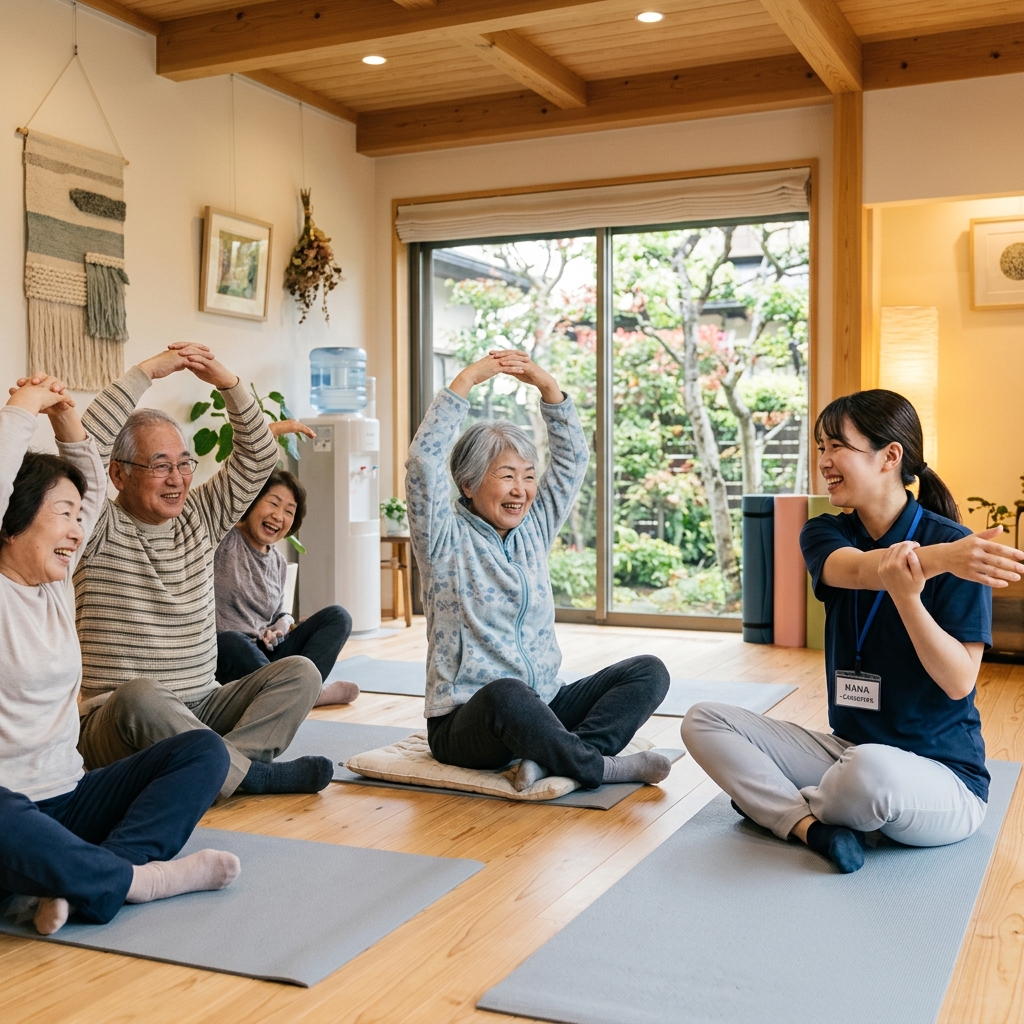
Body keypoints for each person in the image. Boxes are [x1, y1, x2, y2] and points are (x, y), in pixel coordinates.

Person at [682, 389, 1024, 873]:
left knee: (869, 774)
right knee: (702, 719)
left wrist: (910, 596)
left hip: (941, 779)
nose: (823, 460)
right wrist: (941, 560)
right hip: (848, 752)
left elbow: (958, 681)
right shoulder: (829, 533)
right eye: (821, 447)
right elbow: (862, 571)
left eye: (836, 446)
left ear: (890, 456)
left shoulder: (958, 549)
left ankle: (775, 805)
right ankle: (809, 825)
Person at [0, 374, 238, 937]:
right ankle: (135, 880)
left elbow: (89, 487)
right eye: (63, 514)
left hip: (69, 796)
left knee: (203, 752)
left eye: (78, 516)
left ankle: (81, 875)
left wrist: (65, 420)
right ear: (11, 521)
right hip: (9, 811)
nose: (77, 528)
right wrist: (23, 407)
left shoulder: (54, 585)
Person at [65, 343, 332, 800]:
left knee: (300, 672)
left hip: (204, 704)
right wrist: (145, 372)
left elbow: (258, 459)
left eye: (184, 463)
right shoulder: (95, 523)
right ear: (117, 474)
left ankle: (213, 771)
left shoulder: (201, 516)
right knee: (140, 694)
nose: (177, 478)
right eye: (159, 465)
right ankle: (248, 776)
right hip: (120, 719)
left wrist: (228, 383)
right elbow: (83, 449)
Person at [406, 350, 672, 792]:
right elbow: (423, 463)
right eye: (506, 476)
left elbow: (571, 463)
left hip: (545, 703)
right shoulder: (443, 538)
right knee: (507, 692)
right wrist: (468, 379)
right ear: (468, 485)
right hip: (469, 718)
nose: (521, 490)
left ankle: (555, 758)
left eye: (528, 476)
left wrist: (548, 387)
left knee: (649, 671)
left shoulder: (535, 527)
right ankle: (597, 766)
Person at [214, 463, 359, 705]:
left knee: (338, 617)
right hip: (230, 657)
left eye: (289, 511)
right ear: (251, 501)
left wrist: (283, 623)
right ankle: (307, 694)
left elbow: (277, 612)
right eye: (273, 503)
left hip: (266, 656)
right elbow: (226, 489)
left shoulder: (278, 562)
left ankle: (295, 692)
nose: (278, 516)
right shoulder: (224, 540)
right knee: (230, 641)